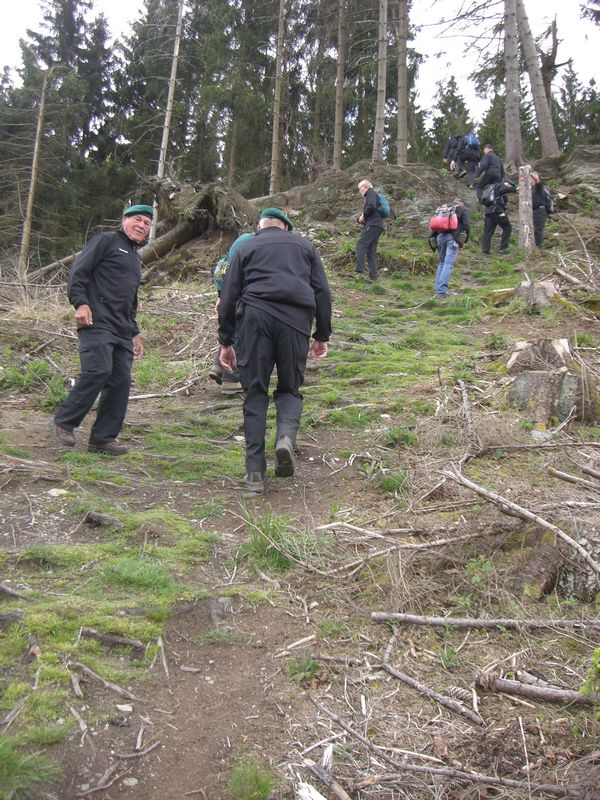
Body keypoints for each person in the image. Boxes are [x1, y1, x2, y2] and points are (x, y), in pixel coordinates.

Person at [218, 207, 332, 493]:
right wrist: (321, 335)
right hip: (295, 323)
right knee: (289, 388)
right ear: (286, 227)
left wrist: (226, 341)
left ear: (259, 227)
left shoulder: (246, 246)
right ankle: (285, 438)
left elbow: (229, 296)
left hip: (255, 321)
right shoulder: (304, 246)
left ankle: (255, 472)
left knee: (255, 392)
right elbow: (322, 291)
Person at [51, 204, 151, 455]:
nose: (142, 226)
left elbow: (131, 299)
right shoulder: (106, 241)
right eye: (137, 219)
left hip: (122, 329)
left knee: (121, 382)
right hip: (96, 321)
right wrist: (81, 303)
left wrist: (134, 332)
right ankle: (64, 422)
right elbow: (78, 272)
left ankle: (103, 438)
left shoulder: (134, 257)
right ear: (124, 220)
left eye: (147, 223)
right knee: (98, 371)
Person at [208, 230, 256, 394]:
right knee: (241, 331)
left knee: (232, 329)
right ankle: (231, 379)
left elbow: (221, 267)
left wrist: (221, 295)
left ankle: (218, 366)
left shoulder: (243, 239)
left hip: (231, 292)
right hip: (243, 293)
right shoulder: (254, 243)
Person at [431, 198, 470, 298]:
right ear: (461, 203)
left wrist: (432, 238)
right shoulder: (463, 209)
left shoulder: (443, 208)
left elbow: (436, 224)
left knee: (441, 263)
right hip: (452, 239)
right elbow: (466, 225)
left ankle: (438, 289)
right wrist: (463, 241)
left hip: (440, 237)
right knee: (448, 264)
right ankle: (441, 292)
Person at [355, 179, 385, 281]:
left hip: (372, 225)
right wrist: (362, 218)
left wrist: (363, 215)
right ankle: (374, 277)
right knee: (371, 251)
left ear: (364, 187)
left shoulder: (370, 193)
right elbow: (373, 209)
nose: (360, 191)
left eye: (360, 188)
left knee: (360, 245)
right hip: (378, 225)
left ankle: (360, 272)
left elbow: (371, 206)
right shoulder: (374, 195)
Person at [481, 179, 517, 255]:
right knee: (507, 227)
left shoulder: (493, 188)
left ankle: (485, 251)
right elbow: (505, 190)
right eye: (510, 186)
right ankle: (503, 248)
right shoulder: (500, 186)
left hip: (488, 212)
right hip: (497, 211)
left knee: (488, 231)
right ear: (508, 184)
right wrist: (515, 189)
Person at [531, 171, 550, 248]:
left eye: (531, 179)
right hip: (534, 211)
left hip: (540, 211)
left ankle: (539, 247)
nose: (530, 181)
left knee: (538, 229)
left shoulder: (539, 188)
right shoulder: (531, 189)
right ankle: (535, 246)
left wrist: (536, 179)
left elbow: (539, 183)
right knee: (534, 229)